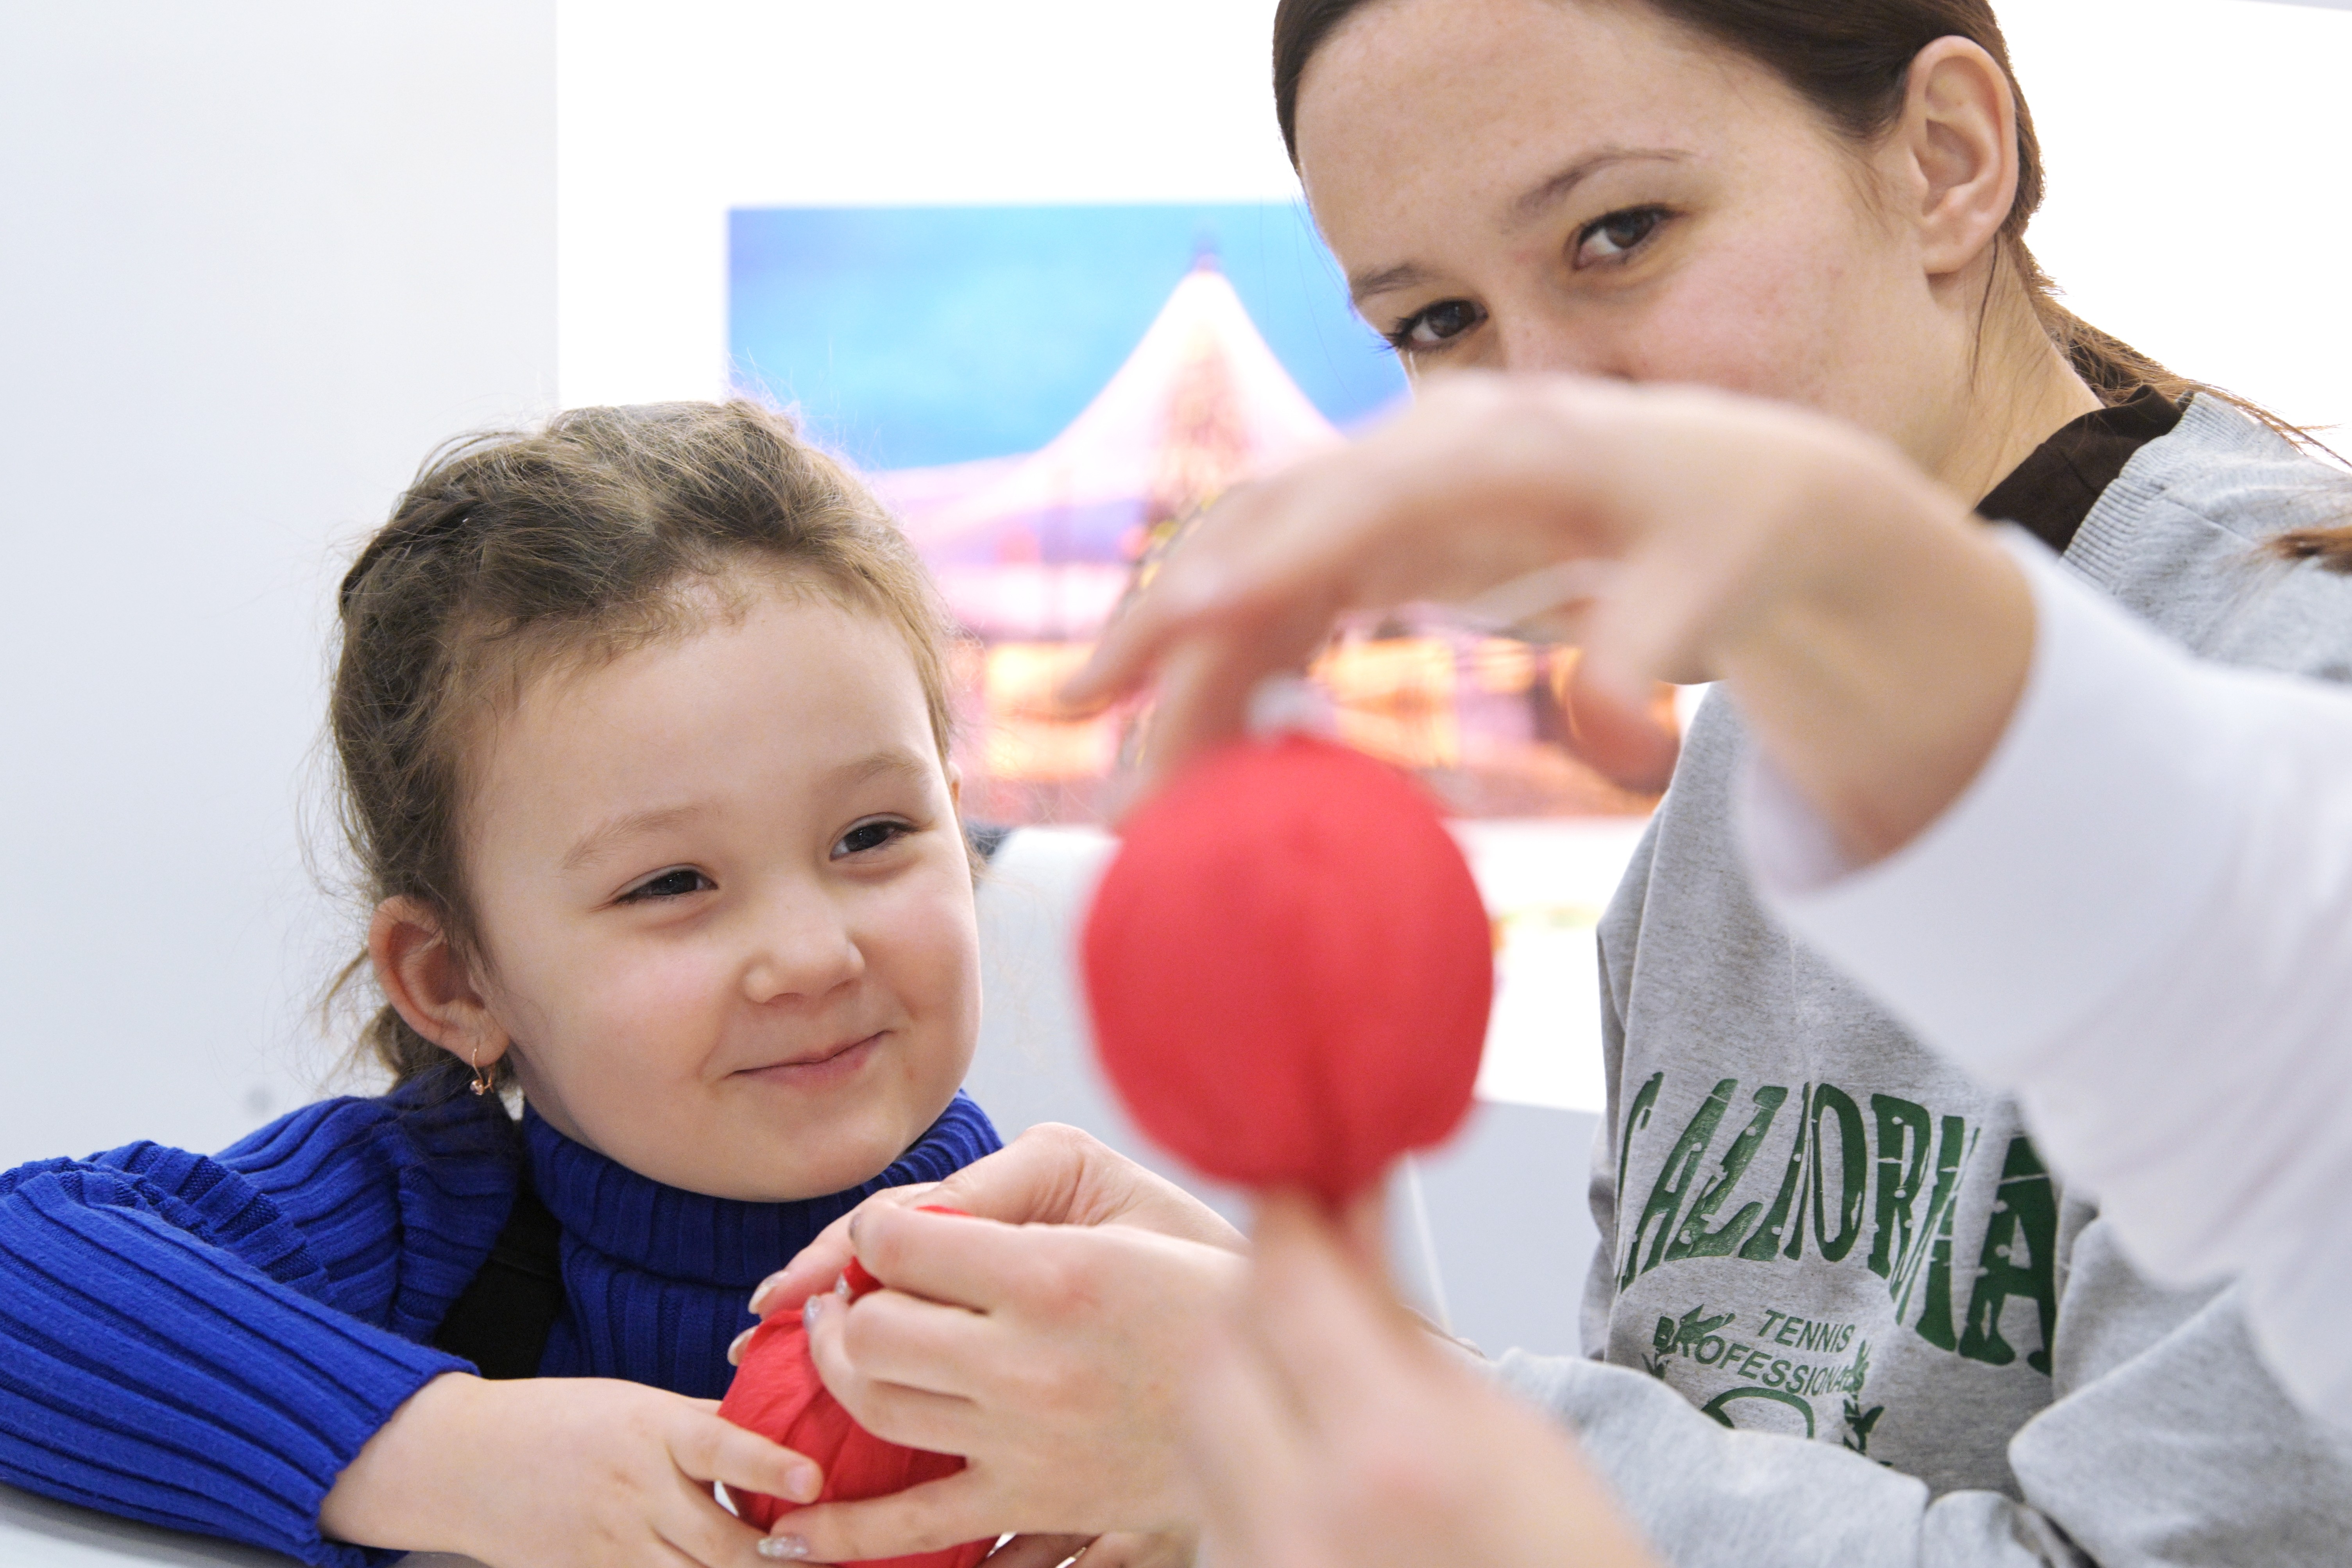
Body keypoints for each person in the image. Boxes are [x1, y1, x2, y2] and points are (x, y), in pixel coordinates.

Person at [739, 4, 2352, 1566]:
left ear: (1944, 157)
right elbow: (1691, 1450)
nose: (1533, 405)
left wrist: (1307, 1415)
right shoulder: (1755, 735)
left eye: (1617, 234)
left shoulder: (2297, 692)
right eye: (1436, 324)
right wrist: (1308, 1371)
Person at [0, 401, 1015, 1568]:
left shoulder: (1054, 1251)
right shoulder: (427, 1212)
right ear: (456, 981)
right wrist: (442, 1451)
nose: (813, 955)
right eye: (672, 882)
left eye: (872, 834)